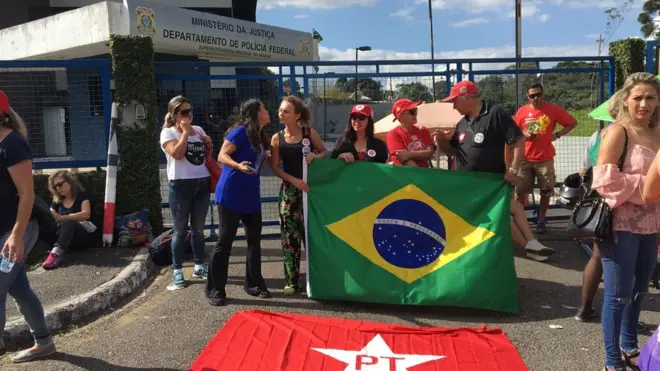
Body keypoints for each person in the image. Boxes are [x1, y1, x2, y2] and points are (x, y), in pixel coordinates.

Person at [434, 80, 555, 261]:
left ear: (466, 97)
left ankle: (531, 245)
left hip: (491, 181)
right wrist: (441, 140)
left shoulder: (495, 114)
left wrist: (513, 169)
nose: (453, 106)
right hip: (468, 184)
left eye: (454, 101)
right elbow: (451, 151)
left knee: (510, 210)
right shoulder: (462, 123)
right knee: (504, 213)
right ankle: (530, 245)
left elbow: (518, 140)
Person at [591, 72, 660, 371]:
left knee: (641, 290)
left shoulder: (659, 132)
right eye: (638, 97)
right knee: (618, 295)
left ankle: (629, 345)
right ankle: (611, 361)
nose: (644, 103)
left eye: (651, 98)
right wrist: (646, 188)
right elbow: (604, 180)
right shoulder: (619, 131)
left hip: (653, 225)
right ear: (626, 100)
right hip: (622, 224)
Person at [0, 90, 56, 362]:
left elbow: (27, 193)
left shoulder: (12, 144)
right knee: (18, 288)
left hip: (16, 231)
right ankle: (44, 342)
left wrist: (17, 234)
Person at [205, 99, 272, 306]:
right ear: (256, 112)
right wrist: (238, 166)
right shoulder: (240, 131)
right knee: (225, 241)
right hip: (231, 193)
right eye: (264, 108)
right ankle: (215, 289)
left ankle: (253, 284)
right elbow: (222, 155)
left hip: (250, 195)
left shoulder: (259, 135)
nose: (268, 111)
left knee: (254, 241)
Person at [270, 96, 326, 295]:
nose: (281, 113)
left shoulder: (309, 133)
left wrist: (315, 156)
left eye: (286, 111)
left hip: (311, 191)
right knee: (289, 237)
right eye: (280, 110)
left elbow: (324, 152)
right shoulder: (277, 138)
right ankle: (291, 281)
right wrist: (293, 180)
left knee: (312, 236)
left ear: (297, 115)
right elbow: (275, 167)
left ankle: (318, 280)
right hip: (290, 192)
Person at [160, 95, 212, 291]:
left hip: (201, 182)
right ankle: (178, 272)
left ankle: (199, 266)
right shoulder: (168, 132)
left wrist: (207, 142)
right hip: (180, 185)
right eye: (184, 112)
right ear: (174, 115)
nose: (188, 115)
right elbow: (177, 154)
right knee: (180, 230)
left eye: (190, 110)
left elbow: (206, 155)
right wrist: (184, 133)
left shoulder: (198, 129)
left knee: (198, 230)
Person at [513, 83, 578, 234]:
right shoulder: (522, 111)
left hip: (545, 159)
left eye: (538, 94)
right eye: (532, 96)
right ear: (527, 97)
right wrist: (524, 133)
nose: (536, 98)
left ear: (543, 94)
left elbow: (572, 123)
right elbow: (514, 130)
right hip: (524, 159)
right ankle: (520, 221)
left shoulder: (553, 109)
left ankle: (541, 220)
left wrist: (557, 135)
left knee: (546, 191)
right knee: (520, 192)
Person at [40, 170, 96, 270]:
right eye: (55, 186)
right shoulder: (57, 201)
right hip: (65, 237)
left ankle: (56, 254)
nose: (58, 188)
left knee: (69, 222)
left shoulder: (81, 196)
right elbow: (50, 216)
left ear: (70, 182)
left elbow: (86, 214)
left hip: (81, 237)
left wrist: (62, 217)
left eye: (60, 184)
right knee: (42, 225)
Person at [386, 99, 435, 167]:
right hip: (407, 175)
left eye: (415, 110)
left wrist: (409, 154)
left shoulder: (423, 130)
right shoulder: (393, 134)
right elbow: (403, 159)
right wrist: (420, 175)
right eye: (412, 112)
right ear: (400, 116)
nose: (415, 114)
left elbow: (429, 154)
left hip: (424, 174)